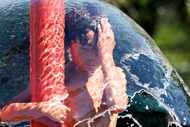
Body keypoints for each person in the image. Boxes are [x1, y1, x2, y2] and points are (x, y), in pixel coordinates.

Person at [0, 17, 128, 127]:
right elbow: (4, 114)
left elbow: (118, 104)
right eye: (86, 47)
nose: (94, 55)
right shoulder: (57, 77)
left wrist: (106, 55)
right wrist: (41, 109)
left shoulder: (112, 75)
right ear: (70, 45)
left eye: (99, 48)